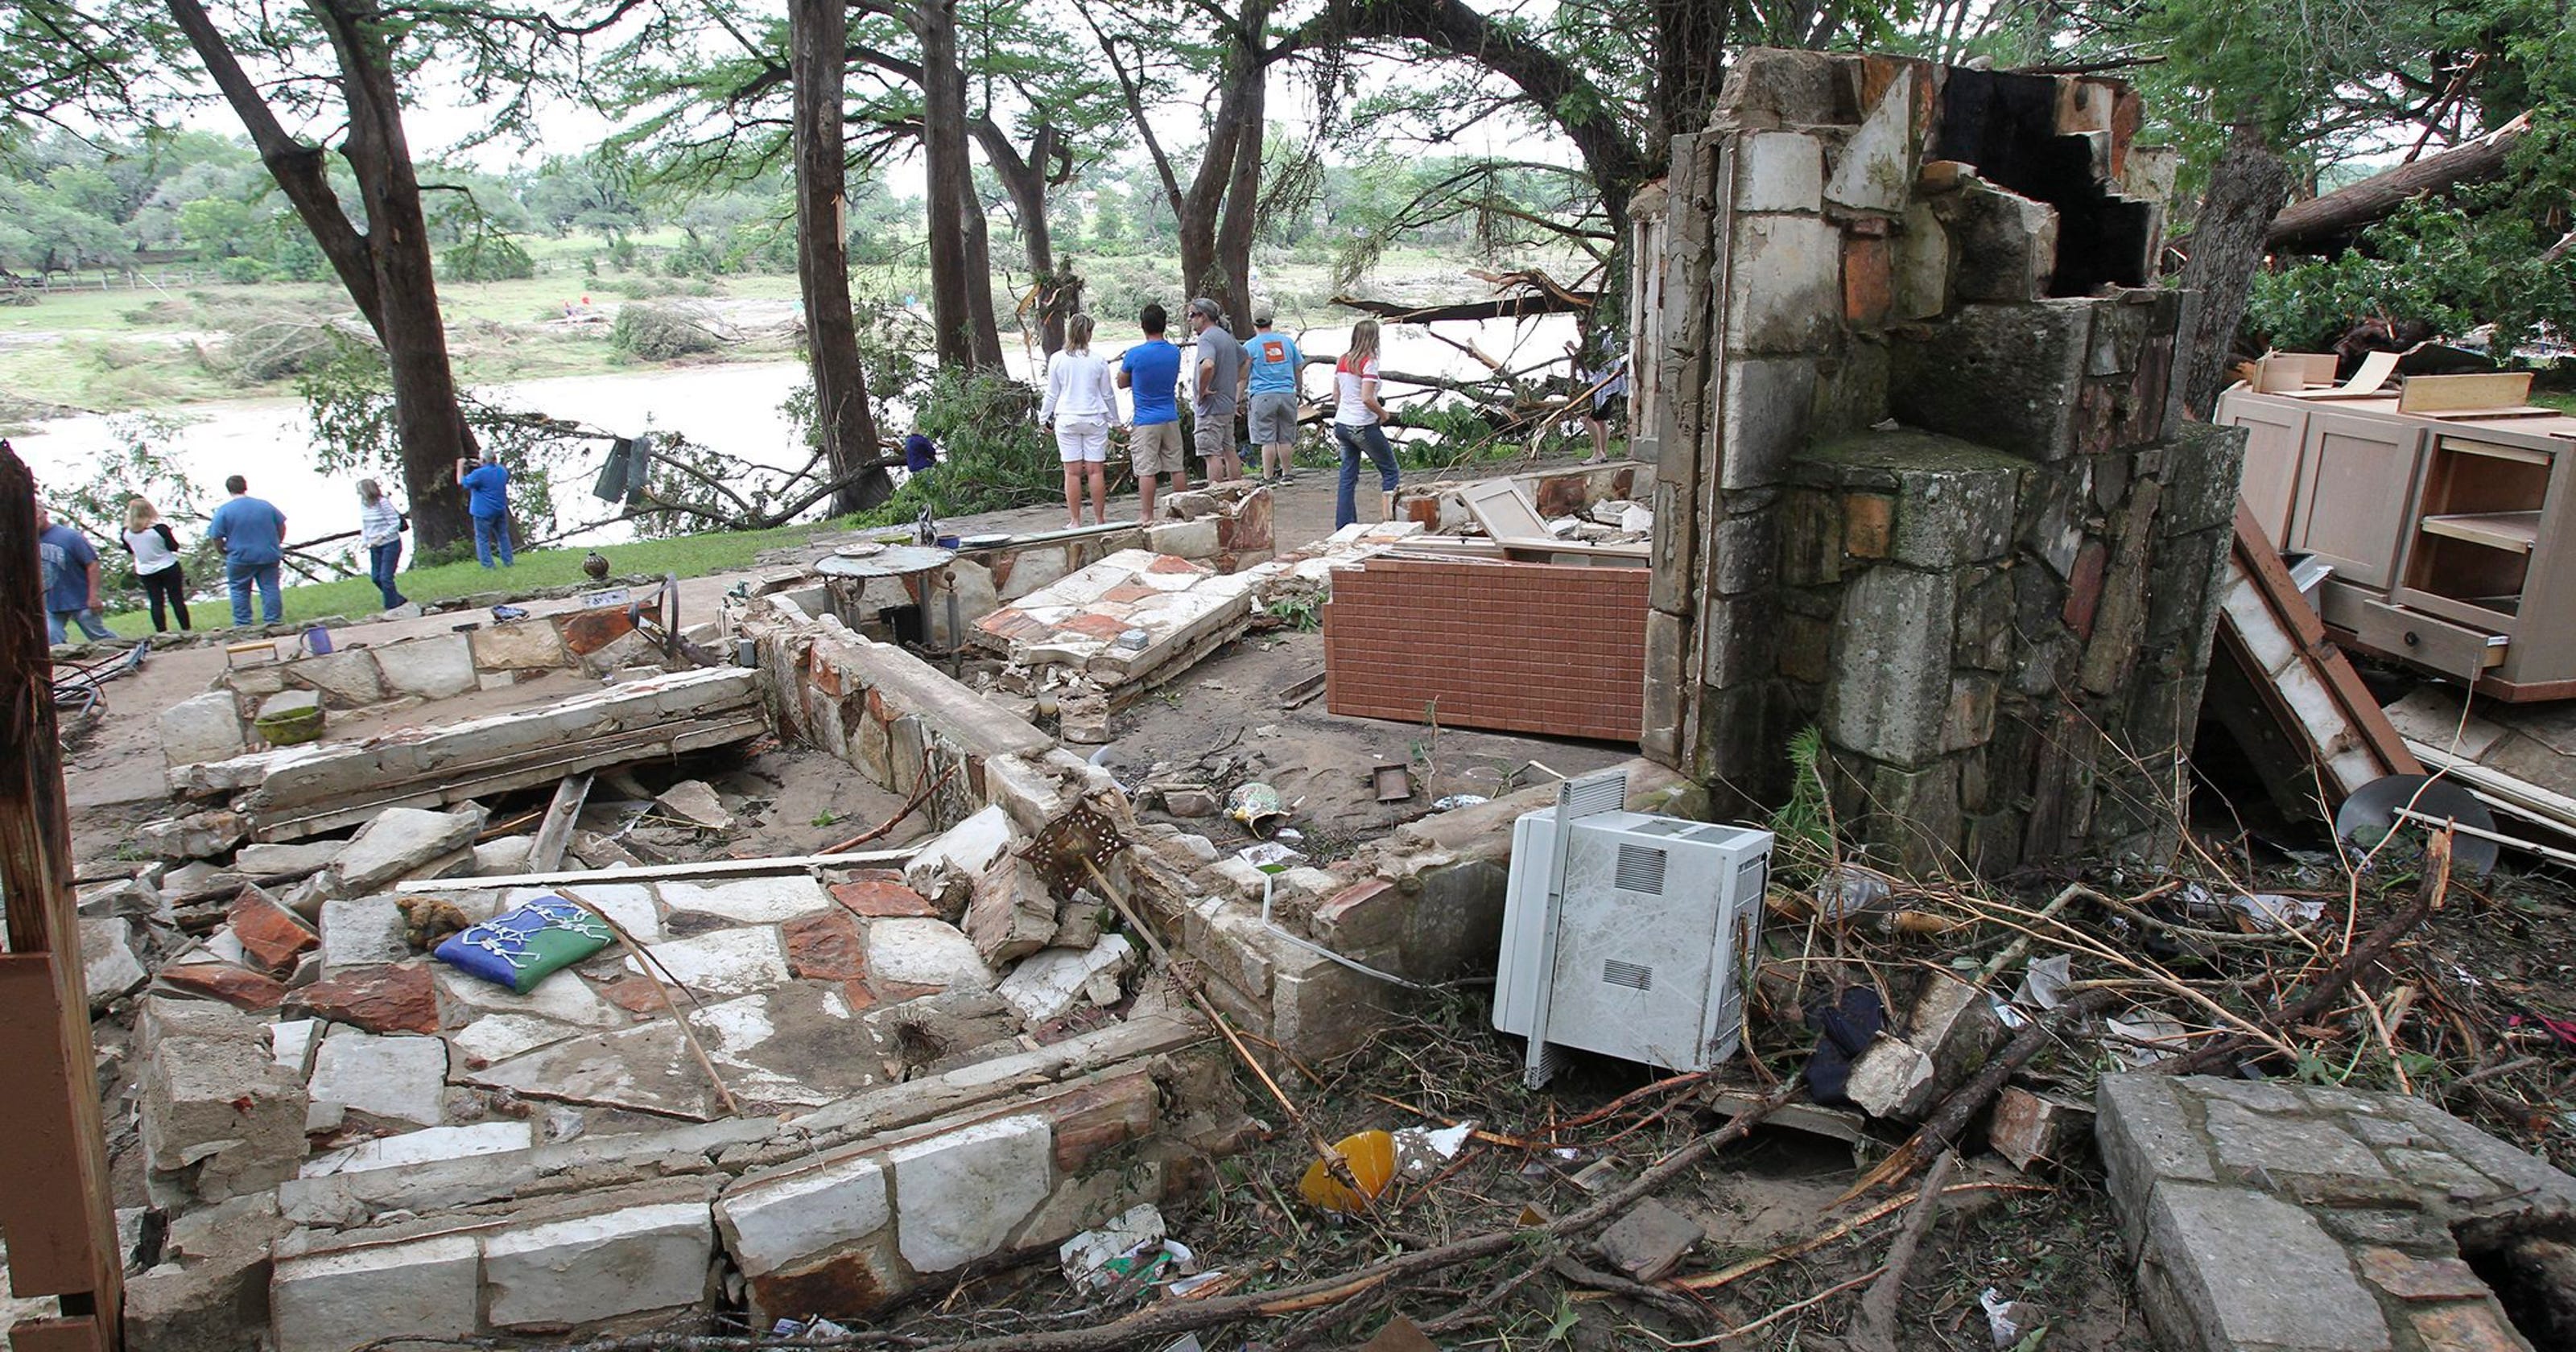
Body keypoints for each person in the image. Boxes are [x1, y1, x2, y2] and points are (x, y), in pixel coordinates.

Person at [1040, 312, 1117, 528]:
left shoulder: (1057, 359)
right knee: (1096, 471)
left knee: (1071, 472)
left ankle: (1075, 521)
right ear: (1089, 333)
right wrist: (1116, 420)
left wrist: (1043, 417)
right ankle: (1100, 519)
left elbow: (1052, 393)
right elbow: (1107, 394)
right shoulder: (1098, 360)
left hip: (1067, 417)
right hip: (1094, 418)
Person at [1115, 303, 1187, 521]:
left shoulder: (1135, 355)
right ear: (1164, 324)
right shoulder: (1174, 352)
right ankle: (1183, 510)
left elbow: (1121, 382)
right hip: (1170, 416)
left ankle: (1147, 515)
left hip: (1145, 419)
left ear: (1142, 326)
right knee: (1176, 466)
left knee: (1146, 469)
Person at [1329, 319, 1398, 530]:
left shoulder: (1342, 360)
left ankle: (1344, 525)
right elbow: (1367, 397)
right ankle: (1392, 521)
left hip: (1342, 423)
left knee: (1348, 475)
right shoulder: (1369, 362)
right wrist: (1383, 413)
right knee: (1389, 470)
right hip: (1362, 424)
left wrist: (1345, 412)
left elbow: (1336, 395)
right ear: (1374, 338)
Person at [205, 473, 287, 627]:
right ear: (245, 486)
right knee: (269, 587)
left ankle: (243, 624)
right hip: (268, 553)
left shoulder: (224, 511)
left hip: (239, 557)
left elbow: (216, 536)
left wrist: (222, 551)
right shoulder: (265, 506)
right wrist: (277, 542)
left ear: (229, 490)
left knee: (239, 589)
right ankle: (273, 620)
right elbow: (281, 525)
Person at [1241, 307, 1303, 484]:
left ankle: (1268, 477)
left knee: (1267, 439)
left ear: (1254, 324)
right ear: (1271, 322)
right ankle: (1287, 475)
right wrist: (1299, 389)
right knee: (1285, 438)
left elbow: (1244, 375)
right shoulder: (1287, 342)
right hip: (1286, 393)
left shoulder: (1250, 346)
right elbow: (1298, 368)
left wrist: (1238, 397)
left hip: (1262, 395)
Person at [35, 505, 113, 644]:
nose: (35, 519)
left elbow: (92, 563)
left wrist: (93, 595)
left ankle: (130, 651)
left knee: (98, 636)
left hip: (80, 598)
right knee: (51, 637)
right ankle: (64, 664)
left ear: (45, 514)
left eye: (37, 514)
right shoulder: (27, 542)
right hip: (51, 602)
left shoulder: (70, 536)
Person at [1185, 298, 1243, 484]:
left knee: (1212, 455)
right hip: (1226, 406)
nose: (1190, 320)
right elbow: (1247, 358)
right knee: (1229, 451)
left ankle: (1216, 495)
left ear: (1204, 316)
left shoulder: (1207, 338)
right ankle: (1237, 493)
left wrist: (1202, 390)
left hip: (1211, 408)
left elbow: (1208, 365)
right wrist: (1235, 381)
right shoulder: (1226, 337)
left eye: (1192, 315)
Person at [120, 497, 189, 633]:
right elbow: (173, 547)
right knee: (177, 599)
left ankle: (161, 631)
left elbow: (129, 549)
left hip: (146, 570)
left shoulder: (126, 533)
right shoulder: (159, 529)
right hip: (168, 565)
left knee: (156, 602)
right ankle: (186, 629)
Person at [1568, 336, 1629, 464]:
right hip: (1608, 383)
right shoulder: (1597, 340)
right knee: (1601, 420)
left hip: (1605, 384)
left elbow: (1592, 361)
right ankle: (1602, 454)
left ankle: (1598, 452)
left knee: (1585, 417)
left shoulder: (1599, 339)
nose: (1580, 329)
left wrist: (1575, 349)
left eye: (1582, 324)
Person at [456, 449, 514, 568]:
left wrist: (460, 465)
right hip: (499, 509)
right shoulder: (502, 471)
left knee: (482, 538)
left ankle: (488, 565)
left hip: (483, 512)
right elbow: (491, 471)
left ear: (483, 460)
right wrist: (481, 464)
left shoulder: (479, 474)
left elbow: (461, 482)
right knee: (503, 535)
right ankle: (508, 561)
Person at [357, 479, 407, 611]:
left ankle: (391, 607)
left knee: (386, 577)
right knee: (376, 578)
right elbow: (366, 525)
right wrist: (365, 541)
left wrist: (381, 537)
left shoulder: (383, 503)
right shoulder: (364, 504)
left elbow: (394, 523)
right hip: (374, 545)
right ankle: (399, 599)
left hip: (390, 543)